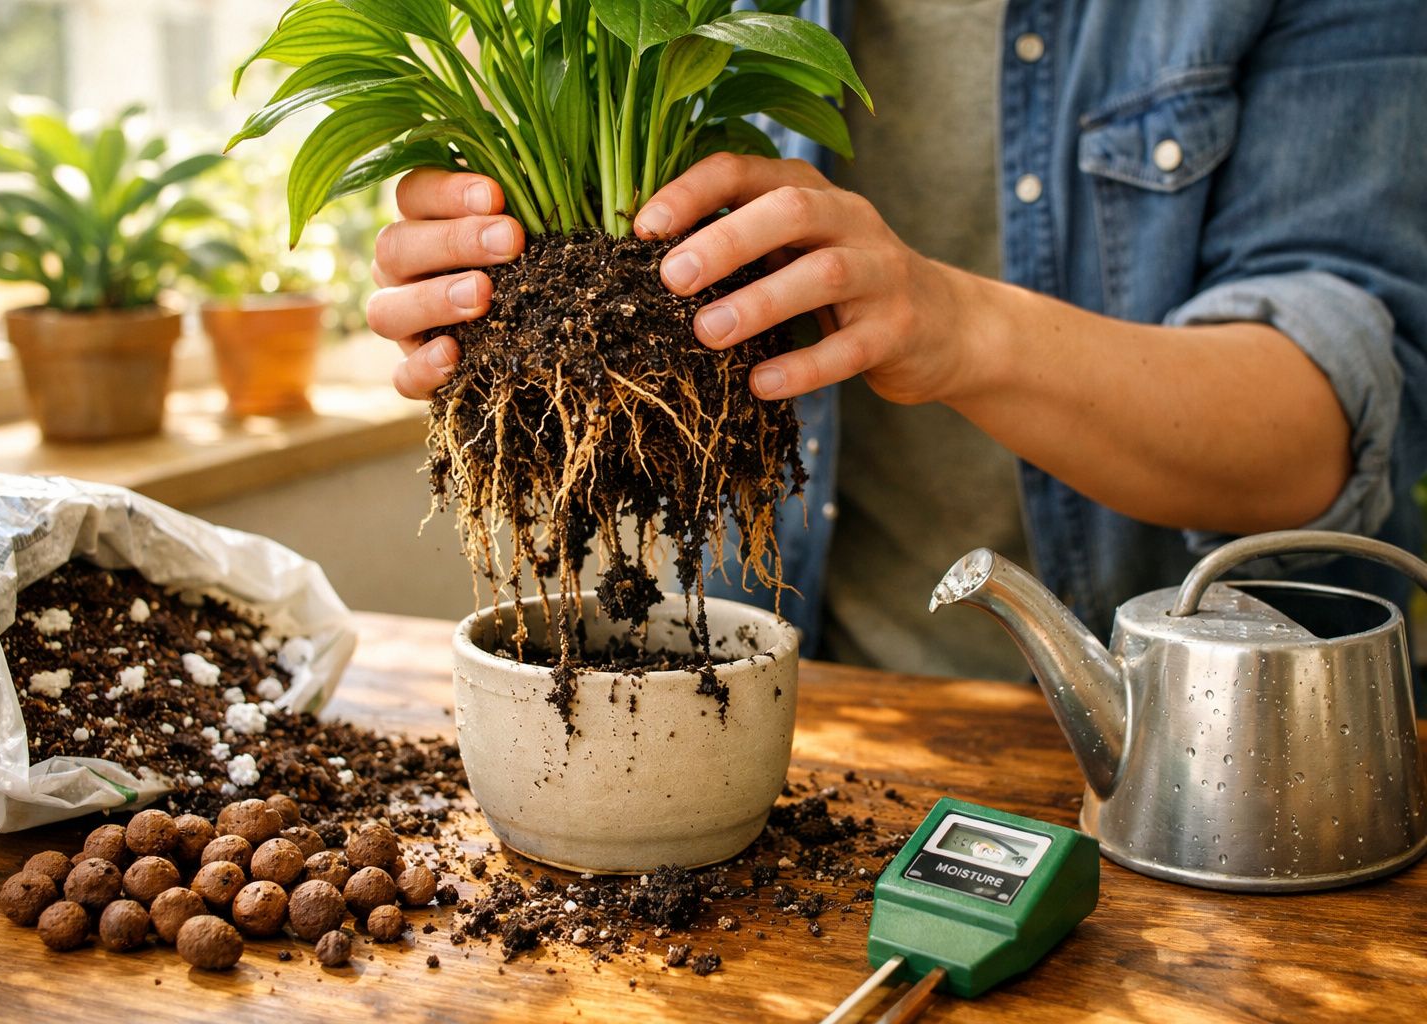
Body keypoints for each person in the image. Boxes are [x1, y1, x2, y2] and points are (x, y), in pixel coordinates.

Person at [366, 0, 1427, 684]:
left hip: (1193, 758)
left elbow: (1330, 421)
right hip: (789, 719)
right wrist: (480, 263)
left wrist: (956, 326)